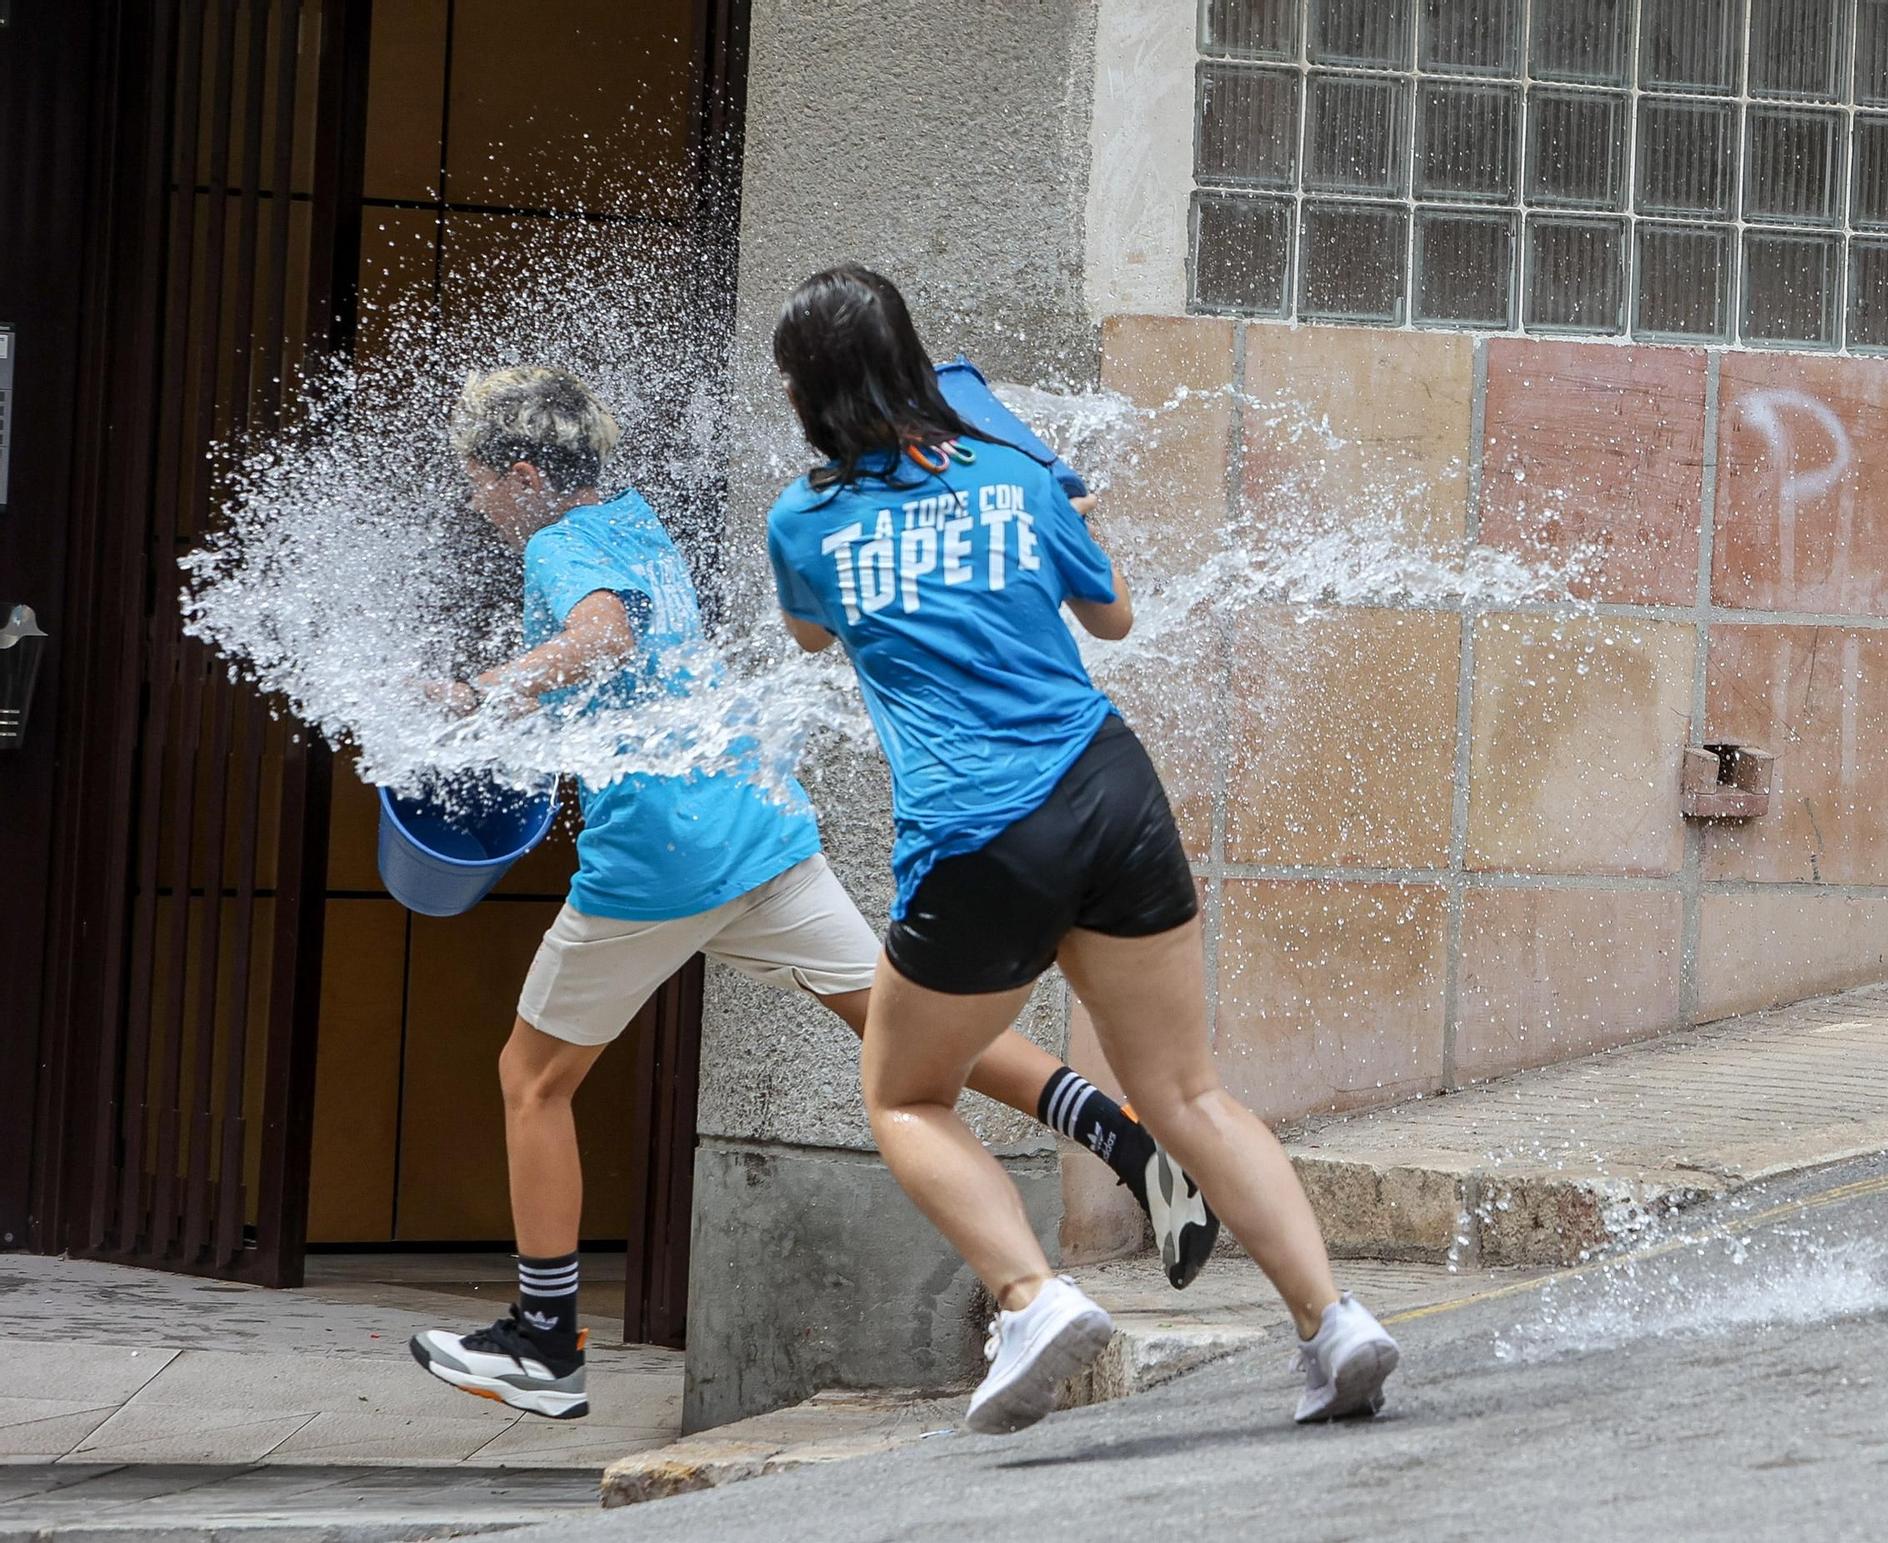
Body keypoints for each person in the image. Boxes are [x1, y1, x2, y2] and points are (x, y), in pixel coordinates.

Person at [407, 366, 1218, 1421]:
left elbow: (602, 638)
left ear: (520, 474)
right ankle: (1126, 1138)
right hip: (756, 821)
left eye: (476, 480)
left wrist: (478, 692)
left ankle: (544, 1340)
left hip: (663, 852)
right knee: (901, 1025)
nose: (473, 501)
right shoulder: (626, 515)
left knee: (531, 1077)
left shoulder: (560, 546)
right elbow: (629, 665)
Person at [763, 268, 1400, 1435]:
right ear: (912, 359)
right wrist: (1063, 520)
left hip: (978, 834)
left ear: (805, 391)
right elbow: (1109, 620)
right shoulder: (1012, 471)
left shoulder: (801, 521)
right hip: (1109, 790)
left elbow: (813, 631)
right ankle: (1333, 1323)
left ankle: (1030, 1297)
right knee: (1188, 1090)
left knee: (906, 1091)